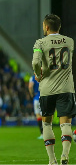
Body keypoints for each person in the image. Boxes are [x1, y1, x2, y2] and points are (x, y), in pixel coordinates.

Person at [32, 14, 75, 165]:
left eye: (44, 25)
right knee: (66, 124)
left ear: (47, 27)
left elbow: (35, 62)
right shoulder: (70, 42)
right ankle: (65, 155)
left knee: (47, 124)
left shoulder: (40, 43)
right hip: (66, 88)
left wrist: (38, 75)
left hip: (47, 89)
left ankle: (52, 160)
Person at [28, 75, 43, 139]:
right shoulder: (45, 76)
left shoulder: (33, 77)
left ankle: (42, 134)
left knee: (38, 115)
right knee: (45, 116)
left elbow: (30, 86)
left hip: (37, 99)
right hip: (44, 98)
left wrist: (31, 94)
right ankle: (48, 133)